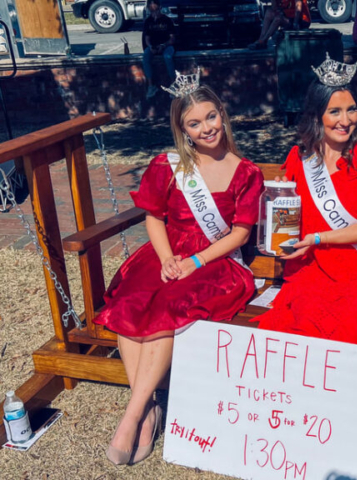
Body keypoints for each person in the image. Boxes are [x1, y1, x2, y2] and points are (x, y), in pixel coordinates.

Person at [93, 70, 264, 466]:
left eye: (211, 117)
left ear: (222, 114)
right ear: (182, 130)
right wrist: (169, 256)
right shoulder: (168, 165)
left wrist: (194, 262)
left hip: (216, 260)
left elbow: (239, 235)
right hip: (168, 253)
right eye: (194, 123)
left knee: (169, 305)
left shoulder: (247, 172)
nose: (206, 128)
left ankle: (133, 416)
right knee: (131, 303)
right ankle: (148, 408)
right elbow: (153, 216)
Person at [256, 56, 357, 375]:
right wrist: (280, 199)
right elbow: (289, 224)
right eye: (334, 111)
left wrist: (320, 238)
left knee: (348, 319)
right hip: (313, 267)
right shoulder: (299, 158)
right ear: (317, 115)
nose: (345, 120)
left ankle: (338, 409)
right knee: (298, 320)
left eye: (351, 109)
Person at [142, 0, 176, 99]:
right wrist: (150, 46)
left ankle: (173, 84)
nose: (154, 13)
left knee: (167, 57)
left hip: (166, 45)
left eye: (156, 10)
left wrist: (164, 45)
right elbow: (146, 38)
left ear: (159, 8)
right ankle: (151, 85)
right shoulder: (148, 21)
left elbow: (172, 38)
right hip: (154, 45)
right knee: (146, 57)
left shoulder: (167, 20)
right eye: (152, 11)